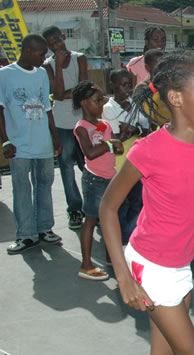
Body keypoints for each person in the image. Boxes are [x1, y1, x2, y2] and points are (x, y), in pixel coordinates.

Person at [99, 51, 194, 355]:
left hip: (180, 266)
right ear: (176, 99)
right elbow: (108, 207)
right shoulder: (149, 150)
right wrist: (123, 277)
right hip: (150, 267)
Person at [0, 34, 63, 254]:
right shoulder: (4, 75)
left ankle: (45, 229)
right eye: (41, 53)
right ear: (27, 51)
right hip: (18, 144)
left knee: (44, 185)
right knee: (22, 189)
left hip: (42, 143)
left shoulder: (42, 75)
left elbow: (47, 108)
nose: (44, 58)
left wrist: (55, 137)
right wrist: (5, 140)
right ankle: (26, 235)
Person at [73, 81, 123, 280]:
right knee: (91, 220)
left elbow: (110, 145)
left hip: (109, 177)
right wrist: (111, 144)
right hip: (94, 179)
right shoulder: (82, 128)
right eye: (97, 101)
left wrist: (116, 143)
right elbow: (91, 153)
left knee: (111, 219)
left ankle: (111, 258)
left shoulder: (103, 124)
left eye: (102, 100)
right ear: (84, 103)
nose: (101, 104)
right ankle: (86, 265)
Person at [43, 25, 88, 230]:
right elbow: (58, 94)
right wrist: (59, 66)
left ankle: (93, 207)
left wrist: (69, 93)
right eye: (51, 44)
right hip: (61, 123)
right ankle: (75, 209)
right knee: (66, 169)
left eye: (57, 40)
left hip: (82, 121)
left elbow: (84, 89)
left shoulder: (80, 58)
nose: (56, 45)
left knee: (88, 166)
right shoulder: (48, 65)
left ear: (63, 37)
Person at [102, 68, 147, 247]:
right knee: (123, 204)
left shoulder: (134, 104)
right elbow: (117, 139)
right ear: (112, 86)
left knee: (137, 202)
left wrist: (132, 129)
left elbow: (145, 128)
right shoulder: (108, 109)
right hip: (119, 164)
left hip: (137, 162)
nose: (128, 89)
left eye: (130, 84)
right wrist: (133, 130)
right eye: (123, 85)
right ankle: (121, 241)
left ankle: (130, 238)